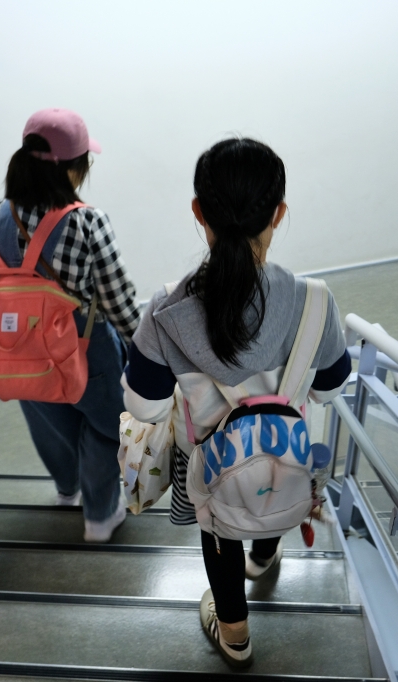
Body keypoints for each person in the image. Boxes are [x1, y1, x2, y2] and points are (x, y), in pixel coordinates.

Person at [121, 138, 351, 667]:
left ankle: (235, 637)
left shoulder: (164, 312)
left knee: (219, 527)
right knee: (275, 486)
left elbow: (148, 409)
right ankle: (266, 555)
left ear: (198, 212)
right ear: (279, 214)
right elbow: (331, 390)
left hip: (207, 458)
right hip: (284, 453)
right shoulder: (315, 301)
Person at [0, 108, 139, 542]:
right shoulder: (86, 221)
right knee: (108, 427)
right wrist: (144, 348)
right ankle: (100, 517)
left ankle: (68, 491)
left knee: (51, 422)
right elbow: (119, 302)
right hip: (86, 350)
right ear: (74, 168)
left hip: (21, 351)